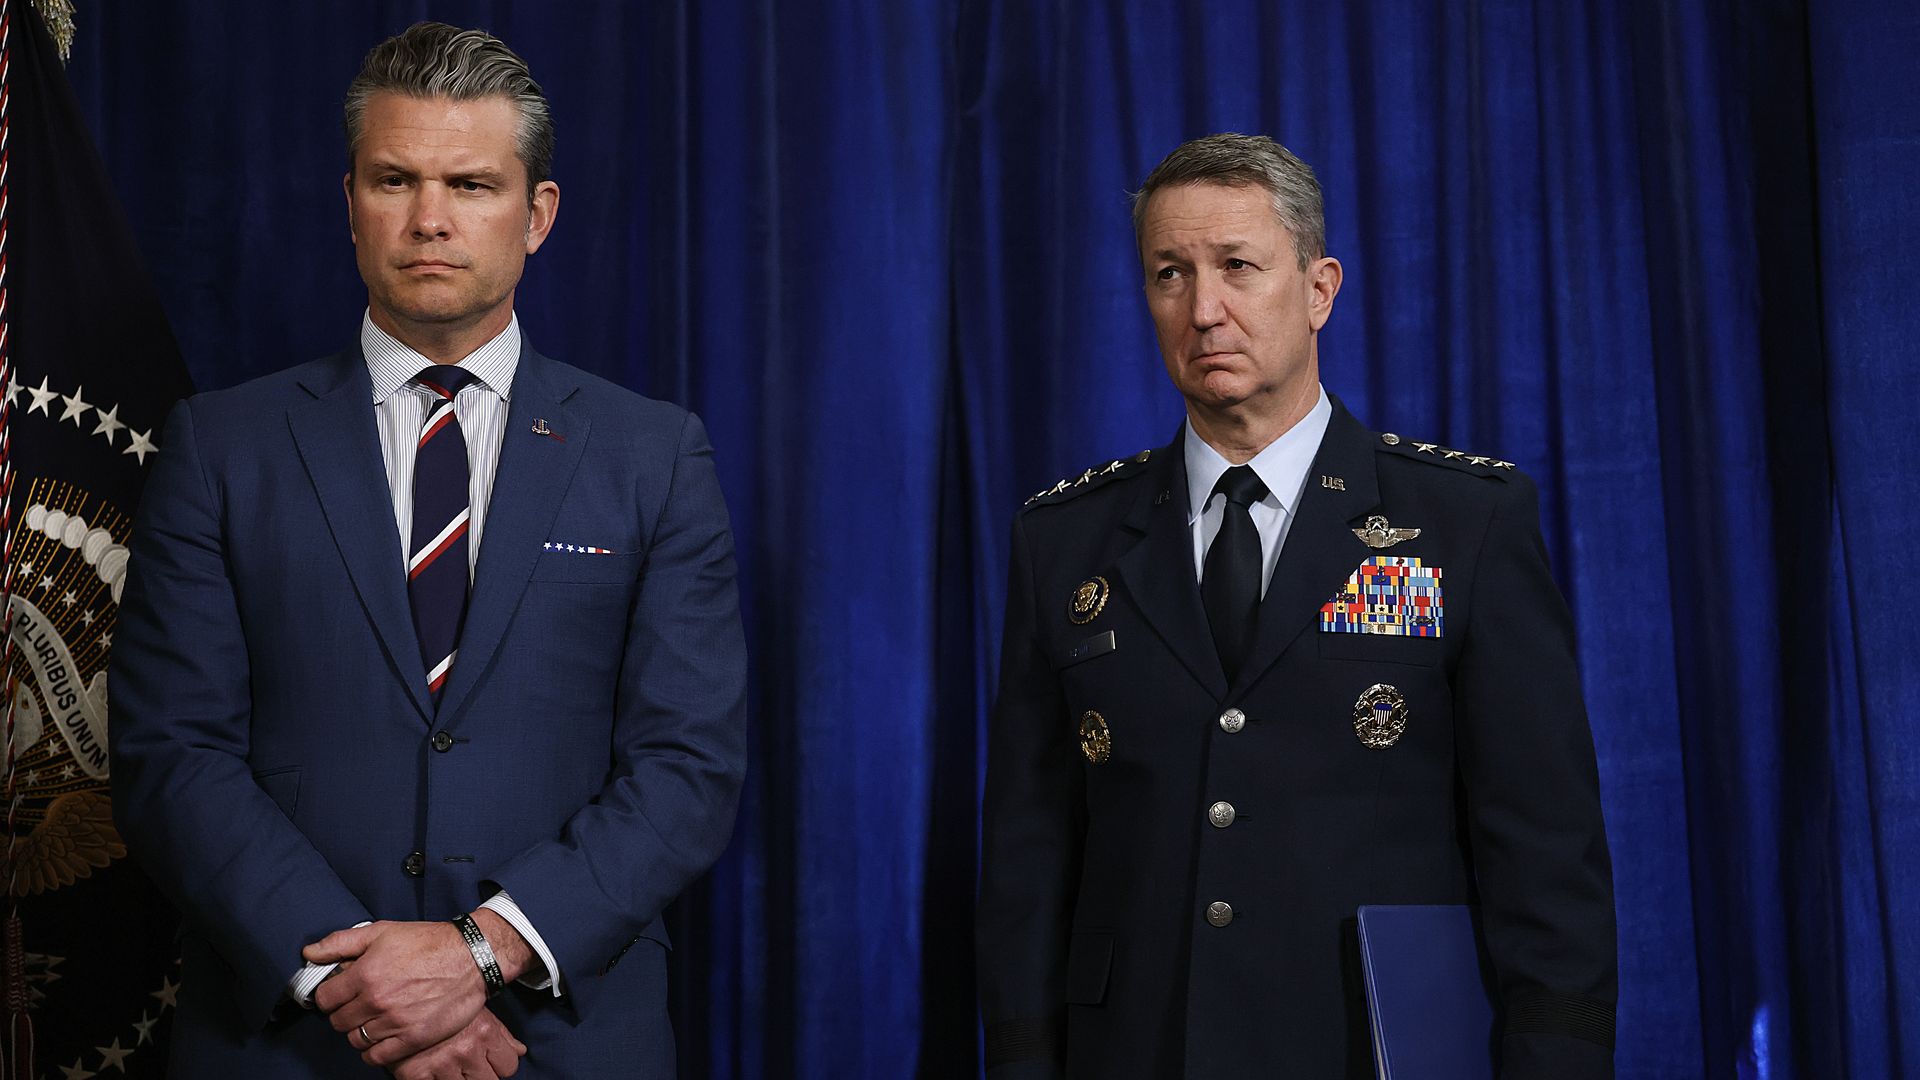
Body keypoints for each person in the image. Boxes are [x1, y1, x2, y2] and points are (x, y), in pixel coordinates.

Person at [109, 23, 746, 1079]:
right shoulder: (221, 446)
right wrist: (364, 988)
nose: (430, 219)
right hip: (291, 1043)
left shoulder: (653, 455)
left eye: (472, 184)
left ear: (536, 214)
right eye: (395, 179)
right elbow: (171, 757)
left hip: (559, 1042)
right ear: (350, 201)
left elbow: (689, 766)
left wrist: (479, 954)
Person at [975, 133, 1616, 1079]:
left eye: (1237, 266)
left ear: (1320, 289)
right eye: (1170, 274)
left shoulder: (1464, 523)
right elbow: (1026, 864)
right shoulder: (1064, 541)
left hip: (1369, 1053)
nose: (1204, 309)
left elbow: (1547, 860)